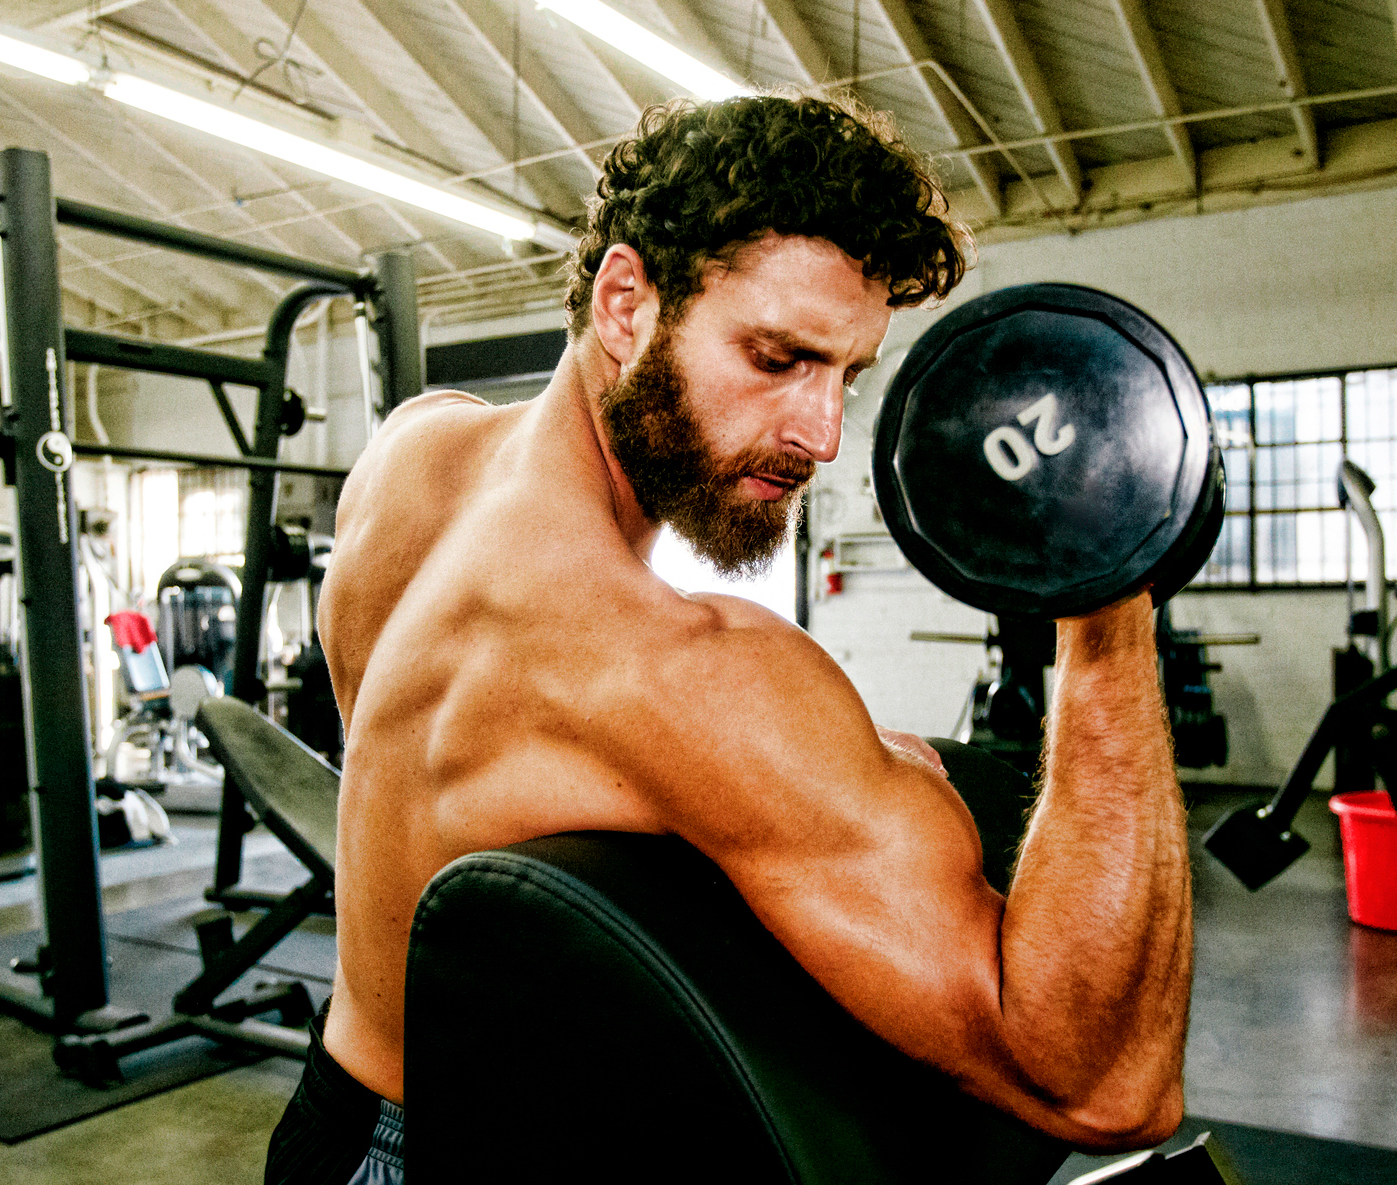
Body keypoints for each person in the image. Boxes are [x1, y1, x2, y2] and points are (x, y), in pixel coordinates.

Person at [266, 92, 1192, 1185]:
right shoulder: (668, 668)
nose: (823, 435)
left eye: (845, 373)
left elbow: (510, 764)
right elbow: (1104, 1082)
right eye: (775, 358)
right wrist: (1105, 589)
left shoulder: (412, 456)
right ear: (624, 304)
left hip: (336, 1125)